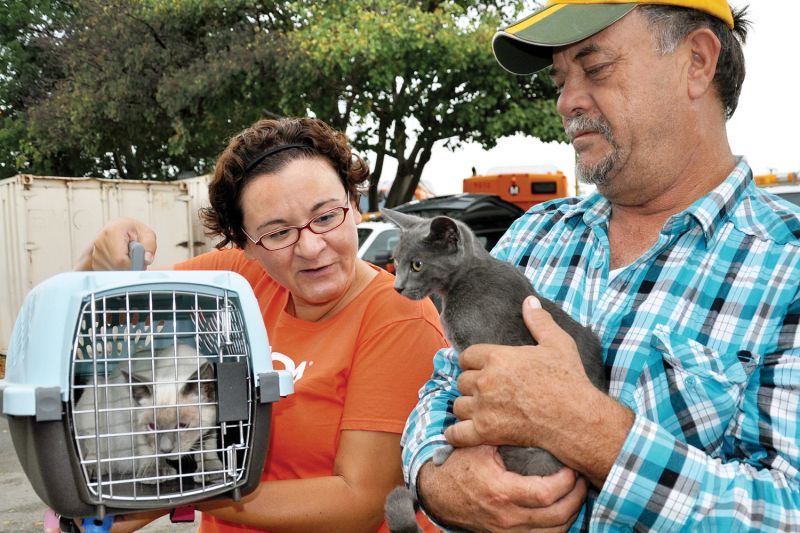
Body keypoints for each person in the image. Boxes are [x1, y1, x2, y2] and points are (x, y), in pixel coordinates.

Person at [402, 1, 800, 531]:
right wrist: (438, 480)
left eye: (595, 69)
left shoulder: (785, 263)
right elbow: (441, 389)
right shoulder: (532, 234)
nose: (567, 102)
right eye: (560, 80)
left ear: (697, 62)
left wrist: (592, 434)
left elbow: (787, 508)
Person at [77, 117, 447, 532]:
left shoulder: (399, 317)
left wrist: (188, 486)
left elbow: (360, 501)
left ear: (354, 203)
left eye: (326, 217)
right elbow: (107, 304)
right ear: (245, 244)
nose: (310, 246)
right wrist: (104, 252)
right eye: (277, 233)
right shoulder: (241, 282)